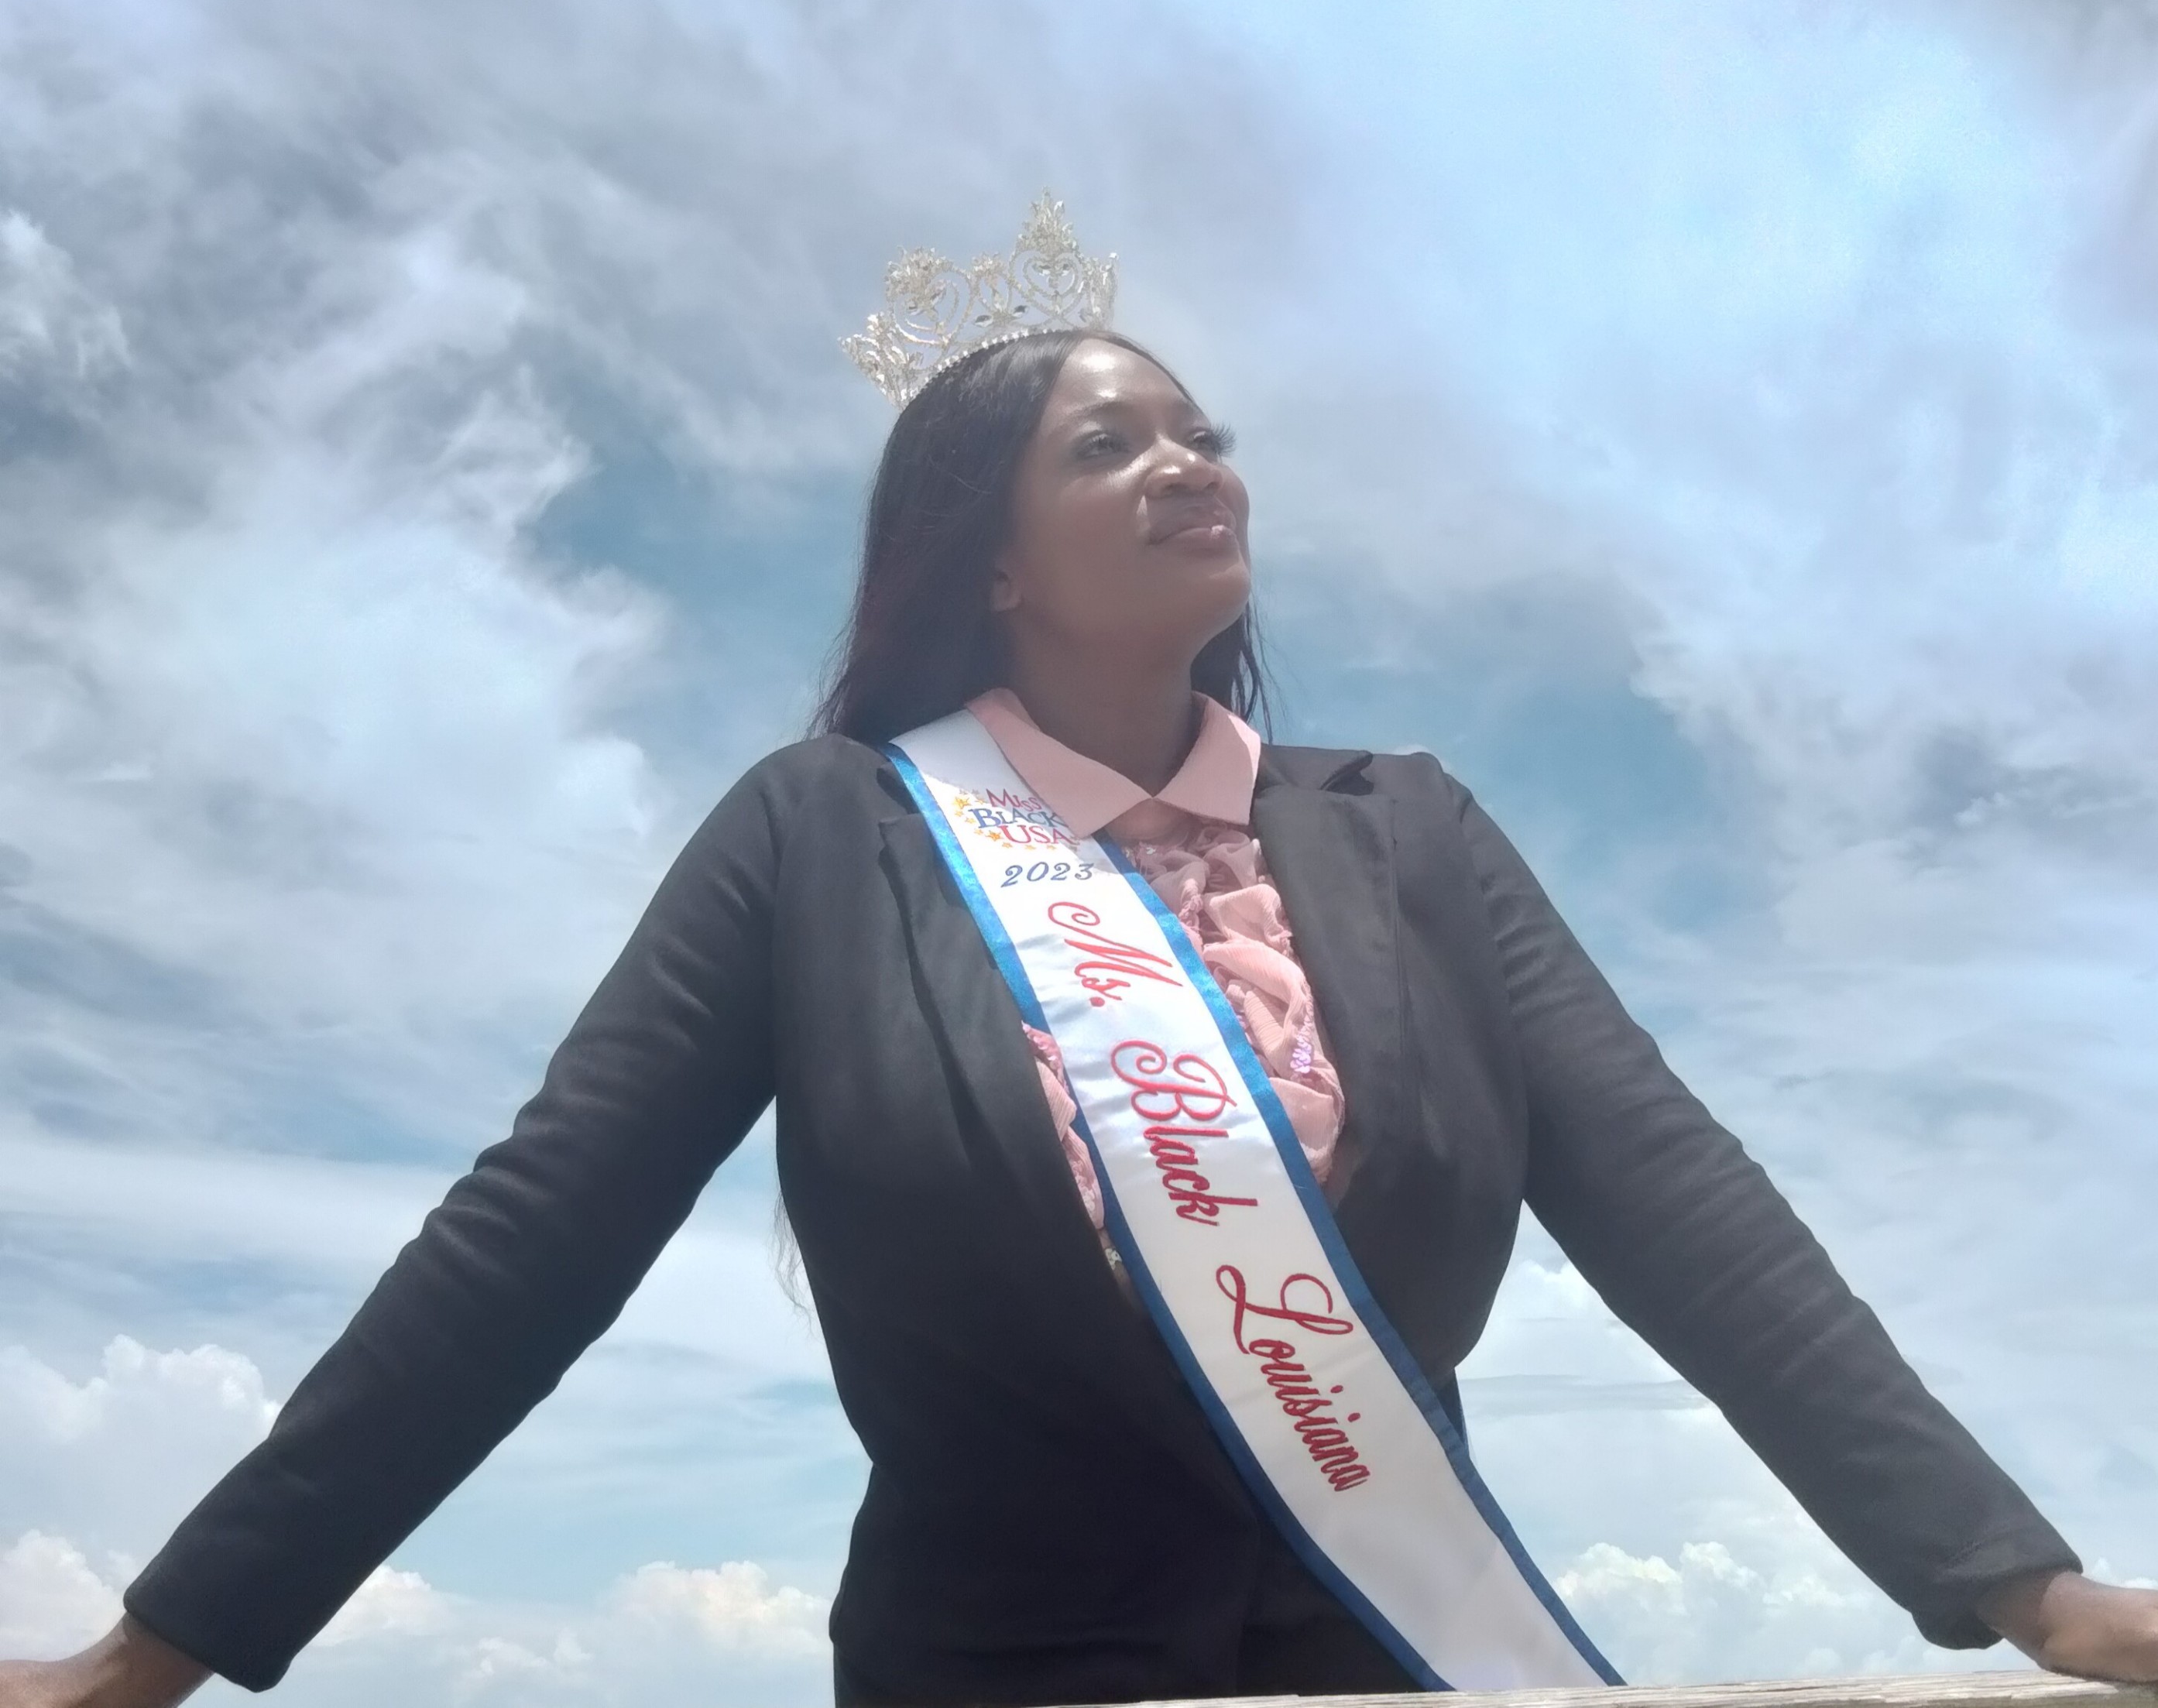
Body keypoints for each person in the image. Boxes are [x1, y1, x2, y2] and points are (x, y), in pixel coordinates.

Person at [5, 321, 2156, 1708]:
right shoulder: (822, 832)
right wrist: (167, 1648)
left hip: (1389, 1655)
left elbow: (1679, 1205)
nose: (1188, 460)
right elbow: (534, 1235)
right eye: (1108, 441)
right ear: (988, 556)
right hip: (986, 1671)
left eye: (1200, 430)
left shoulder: (1405, 831)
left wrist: (2016, 1588)